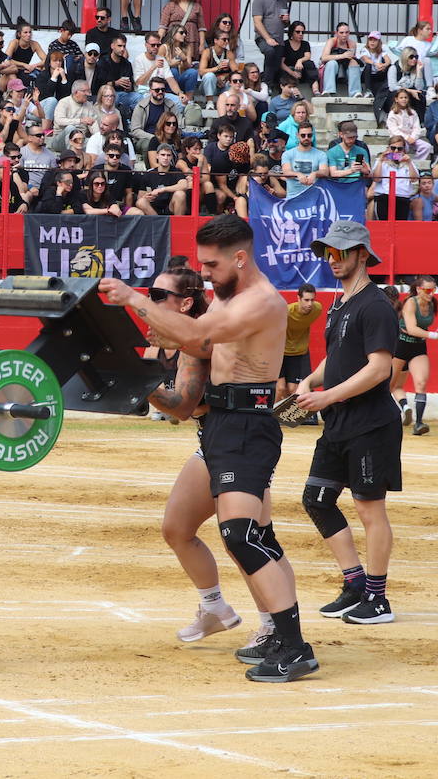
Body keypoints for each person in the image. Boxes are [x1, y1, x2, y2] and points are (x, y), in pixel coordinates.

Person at [100, 215, 316, 682]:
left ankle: (294, 645)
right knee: (204, 529)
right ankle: (272, 632)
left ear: (240, 258)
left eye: (211, 265)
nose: (205, 275)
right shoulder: (228, 294)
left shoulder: (261, 301)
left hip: (246, 426)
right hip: (219, 426)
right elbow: (192, 355)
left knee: (243, 535)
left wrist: (136, 301)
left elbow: (198, 337)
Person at [295, 220, 403, 625]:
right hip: (340, 420)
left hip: (370, 423)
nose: (332, 259)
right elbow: (340, 357)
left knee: (369, 509)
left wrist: (326, 396)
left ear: (362, 253)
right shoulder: (340, 303)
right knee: (317, 499)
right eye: (328, 252)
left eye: (340, 252)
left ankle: (378, 598)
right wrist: (310, 379)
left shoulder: (375, 305)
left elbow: (379, 369)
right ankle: (356, 583)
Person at [145, 266, 252, 641]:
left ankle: (276, 624)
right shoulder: (160, 339)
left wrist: (135, 379)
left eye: (159, 297)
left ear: (186, 302)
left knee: (246, 539)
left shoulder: (196, 338)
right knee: (177, 529)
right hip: (213, 440)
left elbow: (182, 406)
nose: (150, 303)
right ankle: (213, 607)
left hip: (242, 442)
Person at [389, 274, 438, 439]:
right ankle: (399, 410)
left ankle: (418, 423)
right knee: (391, 385)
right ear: (418, 289)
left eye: (433, 290)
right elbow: (411, 328)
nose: (431, 294)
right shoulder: (410, 302)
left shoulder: (432, 303)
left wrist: (429, 336)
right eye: (427, 290)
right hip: (401, 344)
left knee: (421, 383)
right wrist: (436, 336)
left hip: (417, 345)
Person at [278, 284, 321, 401]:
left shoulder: (317, 309)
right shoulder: (286, 312)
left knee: (293, 390)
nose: (310, 304)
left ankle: (287, 418)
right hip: (279, 353)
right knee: (280, 389)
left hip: (298, 353)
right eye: (306, 300)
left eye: (312, 300)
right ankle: (270, 418)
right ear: (298, 298)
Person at [251, 0, 290, 88]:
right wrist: (267, 38)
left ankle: (272, 86)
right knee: (270, 52)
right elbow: (257, 22)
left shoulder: (283, 1)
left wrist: (286, 20)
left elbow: (285, 24)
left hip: (278, 38)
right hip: (263, 37)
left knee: (277, 63)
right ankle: (266, 85)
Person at [281, 122, 328, 199]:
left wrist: (315, 173)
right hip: (293, 197)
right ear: (297, 135)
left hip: (314, 197)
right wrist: (298, 174)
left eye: (309, 135)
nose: (306, 138)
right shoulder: (287, 154)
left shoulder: (321, 154)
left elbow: (325, 171)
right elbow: (286, 172)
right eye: (303, 135)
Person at [319, 23, 362, 98]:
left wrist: (349, 57)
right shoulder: (331, 41)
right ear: (336, 33)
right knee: (332, 63)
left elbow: (351, 58)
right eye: (341, 32)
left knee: (354, 62)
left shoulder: (352, 44)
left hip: (345, 69)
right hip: (332, 68)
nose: (344, 35)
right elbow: (324, 57)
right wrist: (342, 56)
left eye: (347, 32)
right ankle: (328, 91)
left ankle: (355, 92)